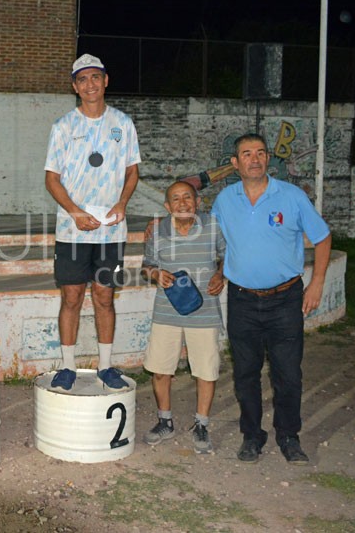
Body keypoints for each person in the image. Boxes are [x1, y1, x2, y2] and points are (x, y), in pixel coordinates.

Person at [212, 132, 331, 465]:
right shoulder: (225, 201)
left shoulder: (291, 197)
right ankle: (252, 436)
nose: (255, 159)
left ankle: (289, 436)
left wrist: (317, 282)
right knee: (246, 373)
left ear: (268, 159)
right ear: (235, 164)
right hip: (242, 301)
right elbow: (218, 241)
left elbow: (322, 238)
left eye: (261, 153)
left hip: (285, 300)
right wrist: (220, 270)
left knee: (288, 373)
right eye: (247, 154)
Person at [44, 53, 141, 390]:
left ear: (106, 80)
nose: (90, 84)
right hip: (72, 230)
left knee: (104, 297)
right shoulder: (63, 127)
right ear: (74, 86)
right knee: (71, 298)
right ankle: (68, 367)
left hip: (110, 230)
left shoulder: (123, 124)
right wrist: (74, 211)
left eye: (95, 77)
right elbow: (52, 179)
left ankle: (105, 366)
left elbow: (132, 170)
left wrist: (122, 202)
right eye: (82, 79)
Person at [140, 181, 225, 454]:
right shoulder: (158, 230)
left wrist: (220, 274)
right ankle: (165, 421)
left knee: (206, 369)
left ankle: (201, 424)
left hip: (206, 309)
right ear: (167, 206)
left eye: (187, 197)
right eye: (175, 199)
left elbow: (227, 256)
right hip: (167, 310)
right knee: (161, 368)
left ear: (197, 201)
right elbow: (147, 265)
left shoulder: (213, 226)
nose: (182, 203)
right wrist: (156, 274)